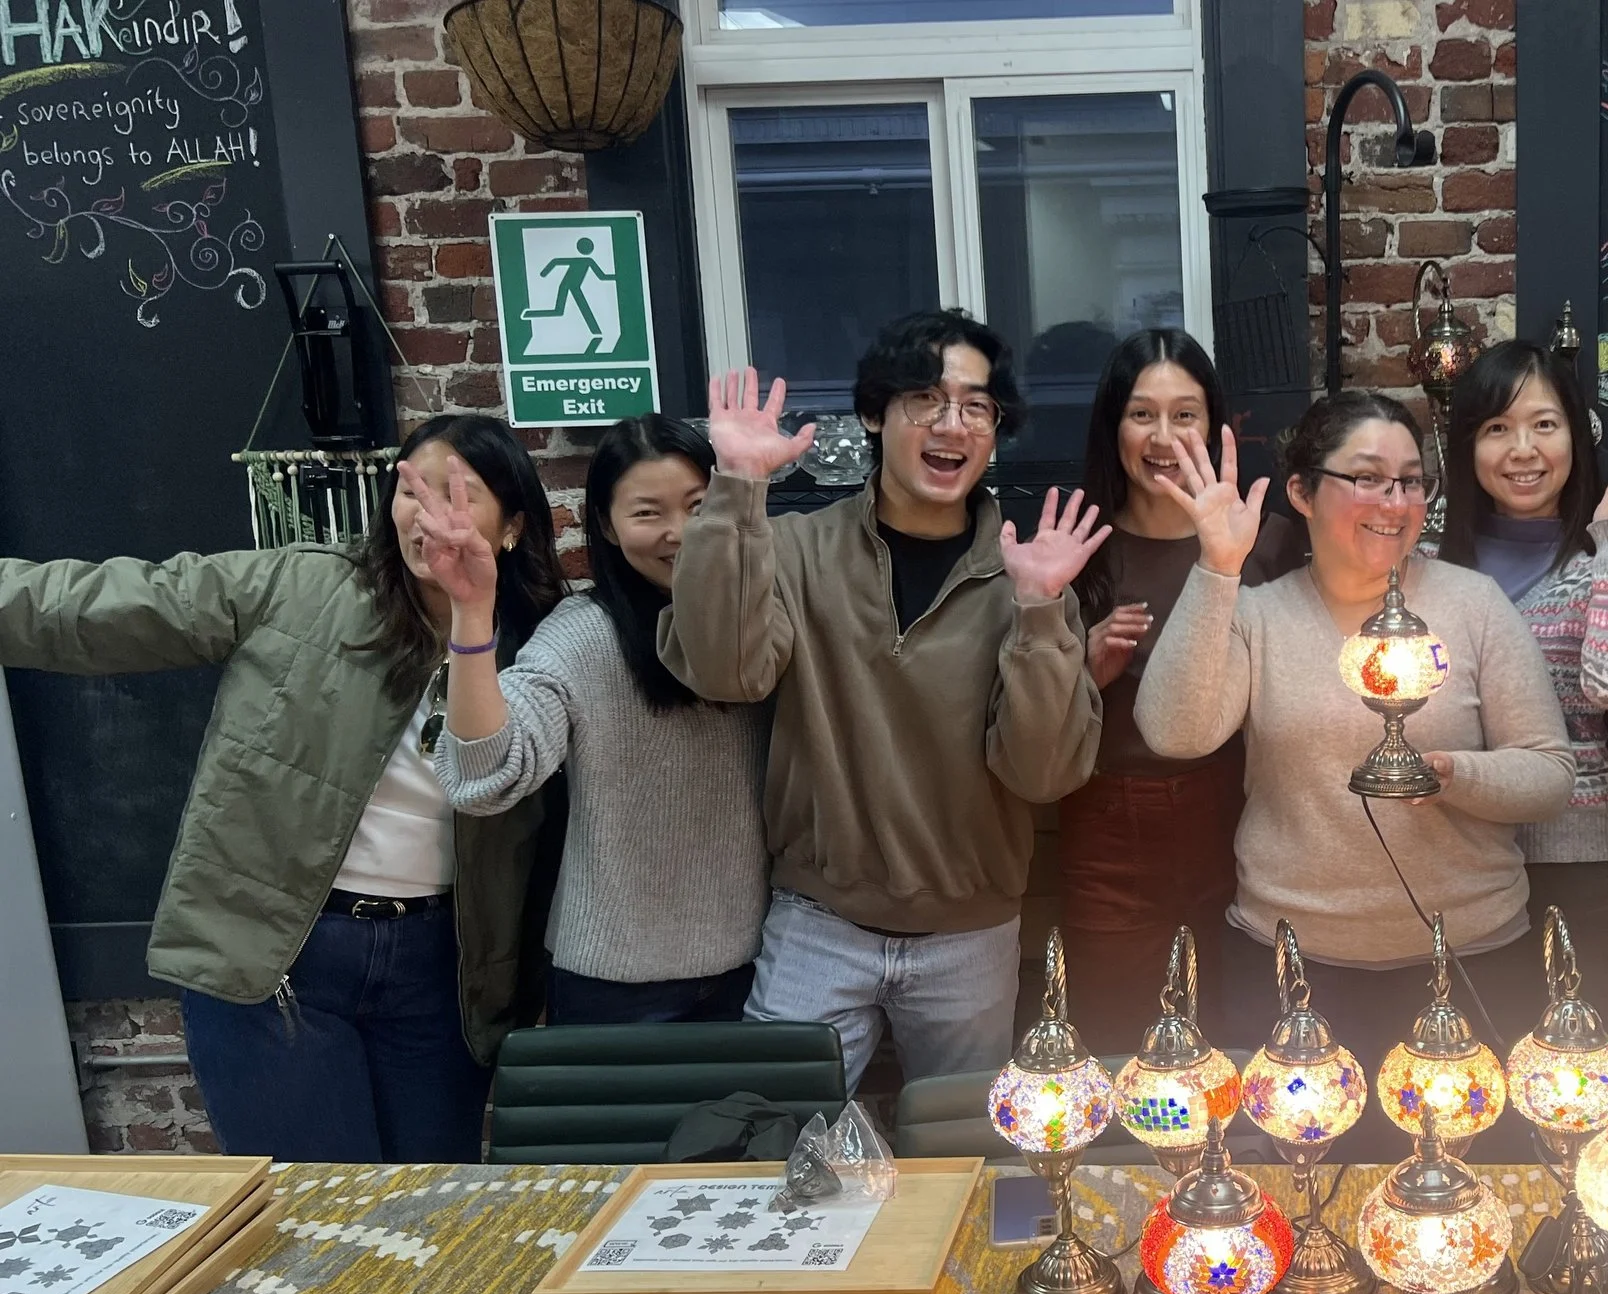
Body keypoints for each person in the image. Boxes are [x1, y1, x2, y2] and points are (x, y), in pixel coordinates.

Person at [0, 414, 566, 1162]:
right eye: (412, 490)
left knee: (431, 1212)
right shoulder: (301, 586)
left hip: (443, 969)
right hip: (279, 955)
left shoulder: (545, 643)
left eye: (457, 492)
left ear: (513, 524)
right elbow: (101, 607)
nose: (429, 515)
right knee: (311, 1217)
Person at [661, 310, 1108, 1094]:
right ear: (874, 413)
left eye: (977, 407)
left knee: (962, 1157)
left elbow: (1044, 774)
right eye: (926, 400)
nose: (952, 424)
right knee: (775, 1142)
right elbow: (725, 672)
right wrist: (736, 490)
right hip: (817, 923)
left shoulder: (1027, 575)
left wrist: (1039, 613)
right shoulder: (798, 550)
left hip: (971, 934)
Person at [1134, 392, 1573, 1159]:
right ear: (1303, 492)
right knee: (1306, 1199)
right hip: (1293, 972)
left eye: (1410, 481)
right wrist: (1217, 567)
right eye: (1368, 478)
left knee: (1462, 1206)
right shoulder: (1261, 615)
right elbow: (1175, 731)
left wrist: (1446, 773)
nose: (1394, 502)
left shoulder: (1472, 607)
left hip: (1467, 965)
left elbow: (1548, 775)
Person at [420, 415, 769, 1024]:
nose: (679, 533)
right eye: (647, 513)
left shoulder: (765, 626)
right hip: (611, 982)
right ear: (605, 526)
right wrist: (472, 612)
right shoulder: (582, 635)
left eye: (698, 505)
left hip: (759, 967)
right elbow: (489, 774)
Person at [1062, 329, 1303, 1037]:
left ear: (1215, 425)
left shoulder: (1272, 541)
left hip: (1237, 818)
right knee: (1116, 1042)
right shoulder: (1077, 543)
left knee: (1239, 1035)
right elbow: (1021, 709)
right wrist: (1077, 669)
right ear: (1113, 426)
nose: (1163, 436)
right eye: (1142, 414)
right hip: (1106, 822)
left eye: (1184, 414)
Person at [1430, 340, 1608, 994]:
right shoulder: (1428, 563)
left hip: (1571, 852)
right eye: (1497, 429)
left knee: (1569, 1066)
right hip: (1453, 847)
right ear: (1467, 447)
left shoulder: (1607, 568)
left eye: (1544, 425)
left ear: (1575, 436)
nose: (1523, 450)